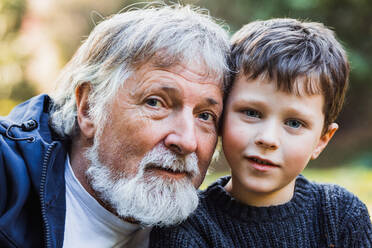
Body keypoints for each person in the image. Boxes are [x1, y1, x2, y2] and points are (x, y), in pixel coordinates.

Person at [0, 4, 231, 248]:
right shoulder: (7, 174)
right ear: (88, 108)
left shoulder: (208, 235)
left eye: (205, 116)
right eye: (155, 103)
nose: (186, 141)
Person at [149, 18, 372, 247]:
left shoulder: (341, 216)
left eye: (294, 123)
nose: (267, 139)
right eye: (252, 113)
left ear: (322, 140)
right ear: (221, 115)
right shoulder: (186, 228)